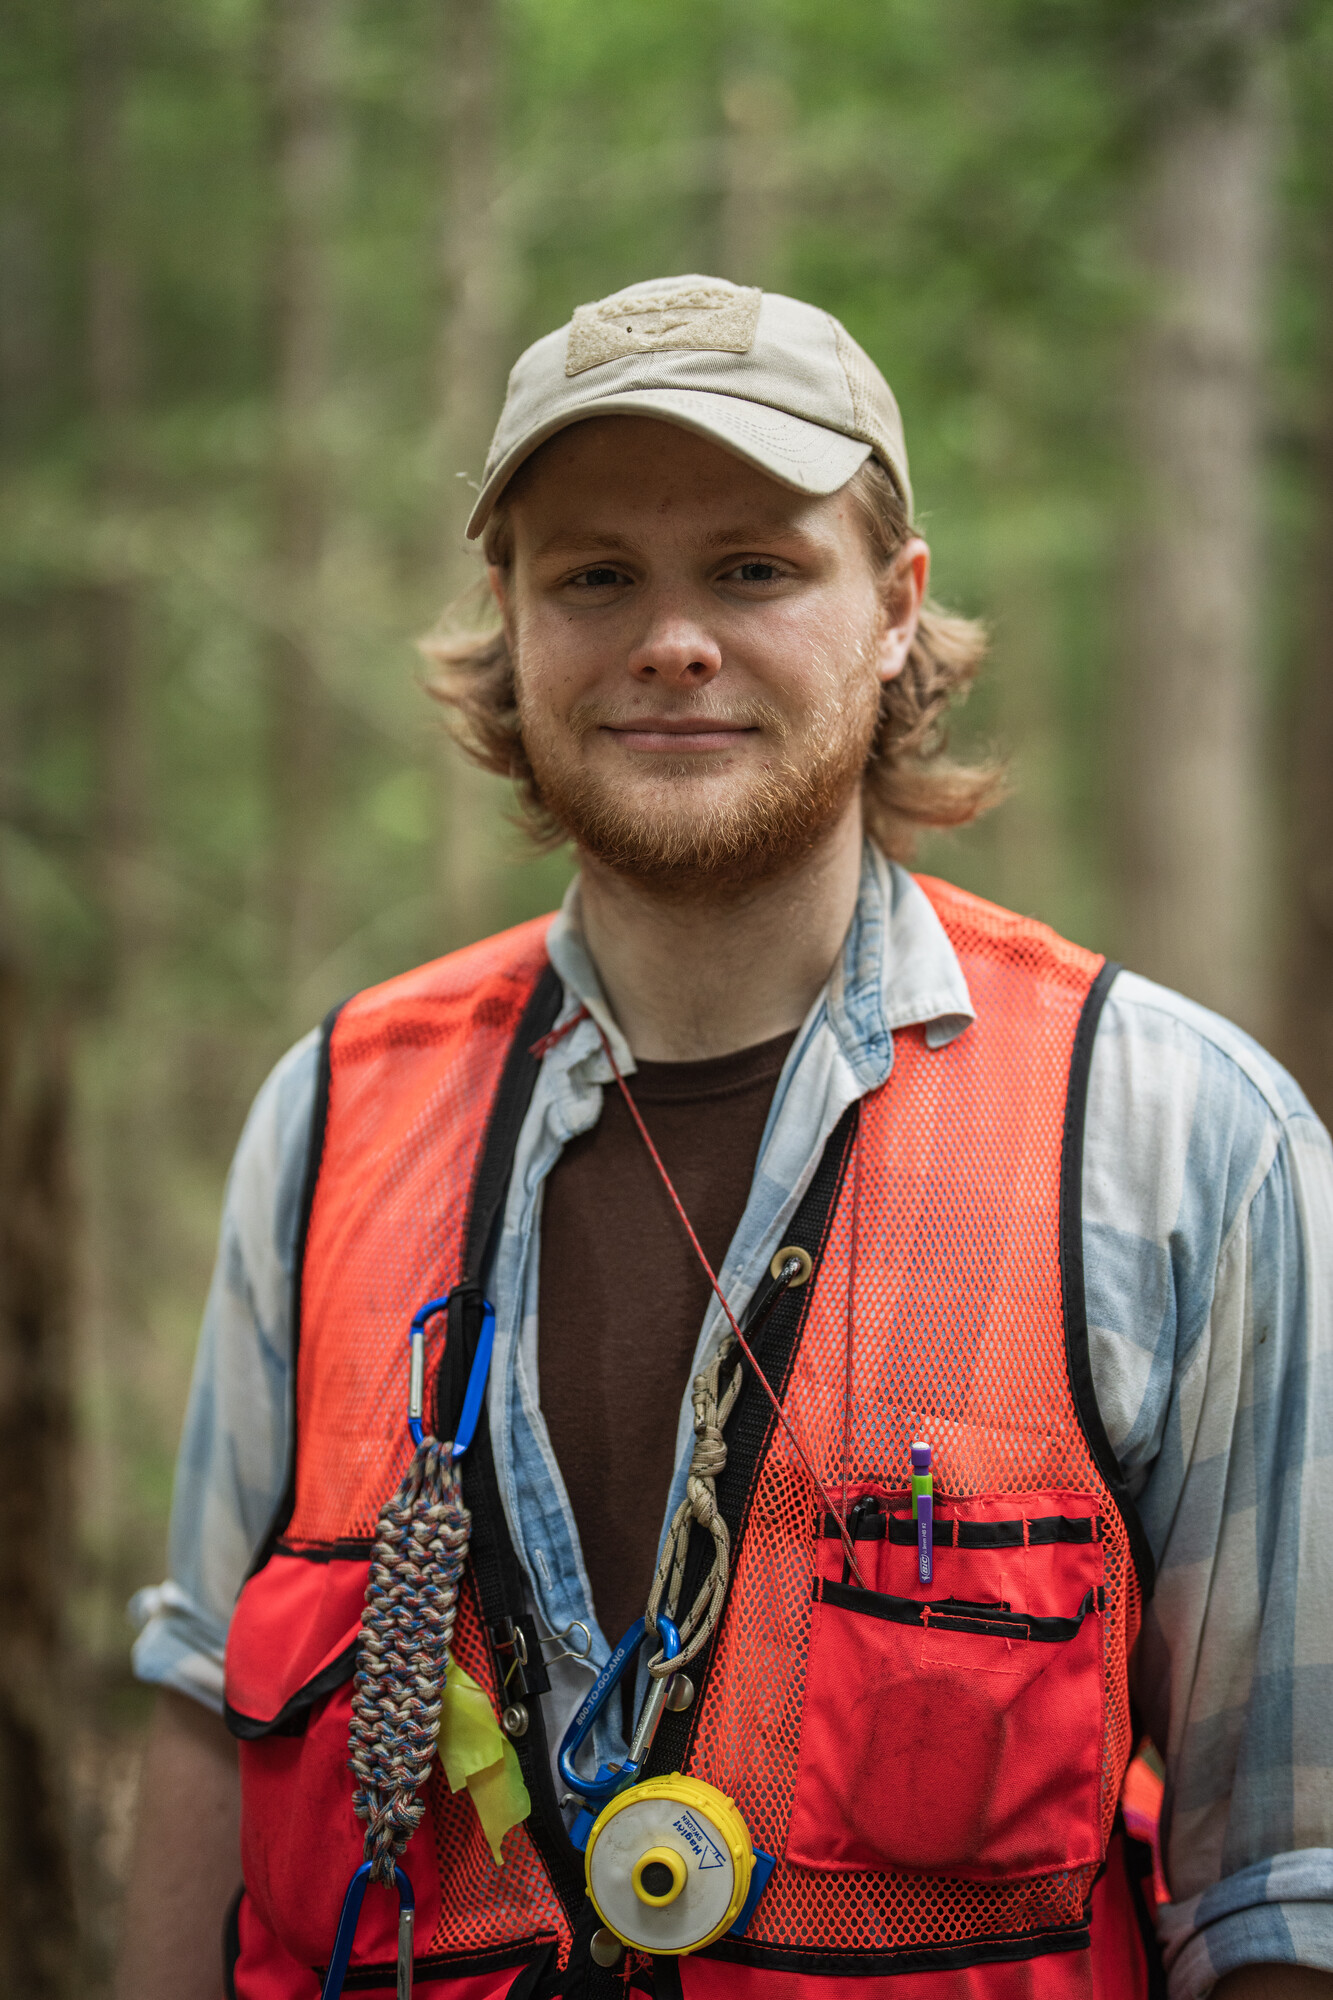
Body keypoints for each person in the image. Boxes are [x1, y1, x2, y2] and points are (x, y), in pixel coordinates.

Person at [117, 276, 1333, 2000]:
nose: (670, 637)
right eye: (594, 575)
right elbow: (196, 1721)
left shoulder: (1177, 1136)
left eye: (755, 569)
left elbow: (1285, 1887)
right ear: (512, 623)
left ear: (895, 609)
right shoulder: (331, 1118)